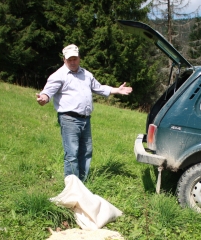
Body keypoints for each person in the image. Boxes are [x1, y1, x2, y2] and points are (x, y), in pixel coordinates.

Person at [36, 44, 133, 181]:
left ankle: (82, 182)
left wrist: (116, 90)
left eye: (75, 58)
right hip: (69, 119)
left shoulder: (86, 74)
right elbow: (47, 92)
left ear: (79, 58)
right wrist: (43, 99)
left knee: (86, 152)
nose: (73, 62)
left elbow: (98, 88)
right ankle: (72, 187)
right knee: (72, 154)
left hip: (86, 119)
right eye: (69, 59)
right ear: (64, 59)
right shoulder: (59, 75)